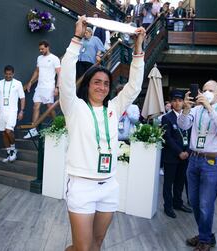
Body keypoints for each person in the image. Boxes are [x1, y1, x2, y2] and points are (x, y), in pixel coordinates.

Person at [60, 16, 145, 251]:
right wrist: (76, 38)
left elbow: (134, 87)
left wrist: (138, 49)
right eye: (97, 82)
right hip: (81, 185)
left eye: (106, 84)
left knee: (96, 244)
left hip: (109, 185)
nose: (102, 87)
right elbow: (66, 78)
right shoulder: (74, 107)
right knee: (83, 248)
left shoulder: (114, 109)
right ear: (87, 85)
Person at [177, 80, 217, 251]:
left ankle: (205, 240)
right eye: (204, 90)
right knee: (194, 201)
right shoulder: (195, 109)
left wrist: (210, 109)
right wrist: (186, 109)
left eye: (211, 90)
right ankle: (206, 234)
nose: (207, 93)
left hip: (213, 161)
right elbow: (182, 125)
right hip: (194, 159)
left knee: (205, 203)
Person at [162, 90, 192, 218]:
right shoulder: (166, 118)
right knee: (169, 183)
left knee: (180, 182)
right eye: (174, 100)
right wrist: (179, 152)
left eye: (180, 100)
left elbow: (192, 136)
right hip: (171, 156)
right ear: (171, 102)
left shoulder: (189, 116)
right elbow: (167, 138)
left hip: (185, 155)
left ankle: (178, 203)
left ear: (183, 102)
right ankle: (168, 206)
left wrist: (188, 152)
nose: (177, 103)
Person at [24, 41, 61, 138]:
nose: (41, 51)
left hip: (49, 87)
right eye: (39, 49)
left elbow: (59, 74)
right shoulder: (39, 58)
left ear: (47, 47)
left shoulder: (54, 58)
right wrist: (30, 82)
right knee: (35, 106)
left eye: (42, 49)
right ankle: (33, 129)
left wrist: (57, 87)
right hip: (39, 87)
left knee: (50, 107)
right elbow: (37, 71)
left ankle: (58, 125)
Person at [0, 65, 25, 162]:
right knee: (3, 133)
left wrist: (21, 111)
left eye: (10, 74)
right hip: (1, 112)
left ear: (13, 74)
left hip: (12, 111)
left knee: (8, 131)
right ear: (4, 73)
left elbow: (22, 98)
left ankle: (13, 149)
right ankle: (8, 153)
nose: (8, 76)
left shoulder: (18, 83)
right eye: (6, 74)